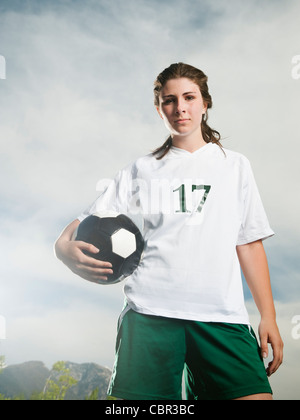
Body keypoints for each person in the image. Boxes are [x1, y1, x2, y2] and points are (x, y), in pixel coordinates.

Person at [54, 63, 283, 400]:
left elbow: (248, 244)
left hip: (221, 316)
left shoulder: (235, 166)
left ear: (205, 103)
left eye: (189, 97)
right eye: (169, 100)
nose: (180, 108)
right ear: (159, 108)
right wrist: (62, 248)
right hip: (150, 314)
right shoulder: (142, 168)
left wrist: (269, 316)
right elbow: (85, 221)